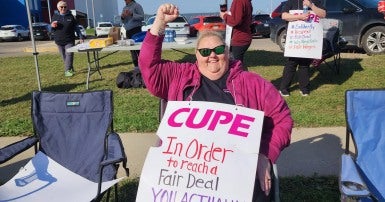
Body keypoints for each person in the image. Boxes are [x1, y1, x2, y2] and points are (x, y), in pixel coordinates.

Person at [139, 3, 293, 201]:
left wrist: (265, 155)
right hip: (188, 176)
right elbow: (148, 66)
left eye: (218, 49)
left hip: (237, 175)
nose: (211, 55)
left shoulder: (252, 83)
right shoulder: (179, 76)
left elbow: (282, 118)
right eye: (204, 52)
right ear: (196, 55)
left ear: (227, 52)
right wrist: (159, 23)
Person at [279, 0, 326, 96]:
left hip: (309, 39)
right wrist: (299, 17)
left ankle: (304, 88)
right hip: (295, 39)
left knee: (305, 64)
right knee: (291, 63)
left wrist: (311, 5)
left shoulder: (316, 1)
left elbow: (323, 14)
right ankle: (284, 88)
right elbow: (284, 16)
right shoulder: (291, 2)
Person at [51, 1, 84, 77]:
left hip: (69, 40)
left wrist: (80, 37)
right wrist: (52, 26)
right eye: (61, 7)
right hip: (59, 41)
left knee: (69, 54)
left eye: (65, 7)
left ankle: (67, 71)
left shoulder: (71, 16)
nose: (63, 8)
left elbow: (76, 28)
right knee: (64, 57)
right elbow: (52, 29)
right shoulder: (55, 16)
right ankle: (70, 68)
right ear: (58, 8)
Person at [219, 0, 252, 71]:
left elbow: (235, 21)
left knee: (236, 67)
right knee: (238, 64)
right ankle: (244, 79)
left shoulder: (239, 1)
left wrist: (224, 16)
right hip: (243, 37)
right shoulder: (246, 1)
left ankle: (243, 80)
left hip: (239, 39)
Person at [121, 0, 144, 70]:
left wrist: (131, 14)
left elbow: (142, 17)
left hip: (136, 30)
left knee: (138, 49)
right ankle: (136, 67)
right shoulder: (124, 8)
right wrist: (123, 17)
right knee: (131, 49)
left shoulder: (137, 6)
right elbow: (123, 21)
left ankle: (143, 66)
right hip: (128, 31)